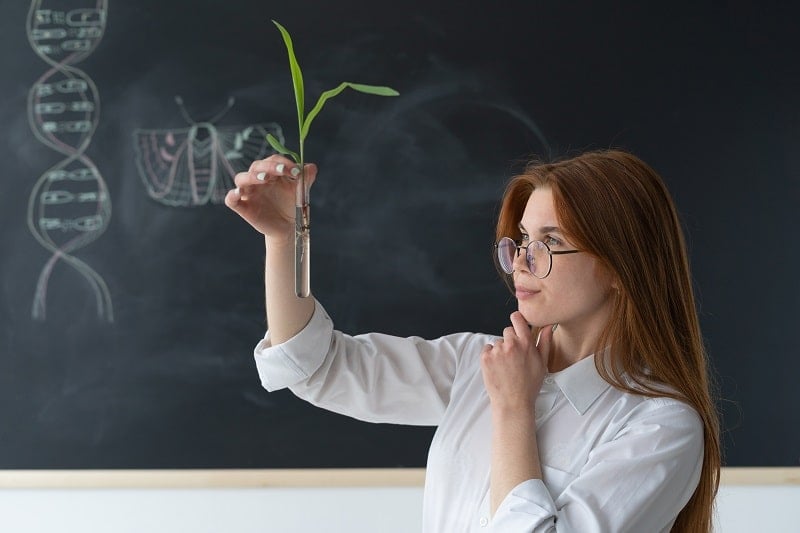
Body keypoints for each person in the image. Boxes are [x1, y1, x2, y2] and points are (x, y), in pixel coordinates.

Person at [225, 148, 721, 532]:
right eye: (522, 240)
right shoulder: (477, 362)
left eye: (549, 242)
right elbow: (316, 367)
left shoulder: (660, 425)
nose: (523, 261)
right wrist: (285, 238)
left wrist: (512, 409)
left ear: (619, 266)